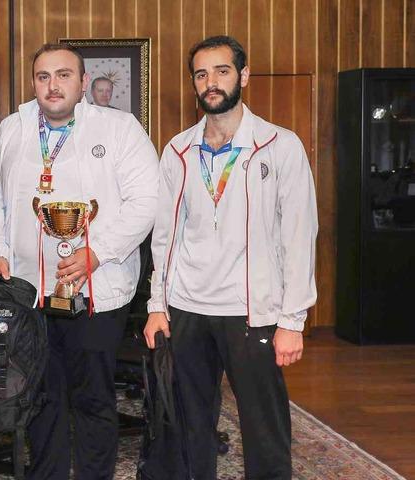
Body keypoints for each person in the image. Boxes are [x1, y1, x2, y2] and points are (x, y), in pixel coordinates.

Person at [0, 43, 159, 479]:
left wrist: (97, 252)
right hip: (28, 294)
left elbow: (147, 201)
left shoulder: (119, 129)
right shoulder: (13, 129)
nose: (53, 85)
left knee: (92, 399)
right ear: (33, 83)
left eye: (63, 75)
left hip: (97, 291)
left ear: (82, 82)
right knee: (40, 398)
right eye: (43, 77)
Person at [143, 35, 317, 480]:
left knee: (264, 427)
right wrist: (157, 305)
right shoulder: (178, 150)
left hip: (251, 310)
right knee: (188, 424)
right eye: (201, 74)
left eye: (222, 71)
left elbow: (300, 237)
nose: (211, 82)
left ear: (243, 75)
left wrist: (292, 320)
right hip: (187, 307)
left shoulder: (280, 146)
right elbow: (164, 237)